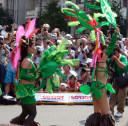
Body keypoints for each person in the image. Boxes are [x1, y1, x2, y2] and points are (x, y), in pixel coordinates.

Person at [80, 28, 119, 126]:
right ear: (103, 51)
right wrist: (115, 34)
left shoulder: (96, 59)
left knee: (97, 115)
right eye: (105, 49)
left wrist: (100, 36)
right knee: (106, 116)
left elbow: (102, 46)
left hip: (95, 90)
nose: (108, 51)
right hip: (101, 91)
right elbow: (111, 46)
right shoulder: (102, 60)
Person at [10, 37, 41, 126]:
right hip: (27, 91)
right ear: (28, 47)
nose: (35, 47)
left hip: (25, 90)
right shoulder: (27, 60)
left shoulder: (27, 59)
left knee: (25, 113)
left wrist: (36, 75)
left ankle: (17, 124)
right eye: (34, 45)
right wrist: (32, 78)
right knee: (33, 113)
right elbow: (22, 75)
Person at [108, 47, 128, 117]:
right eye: (113, 52)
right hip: (115, 79)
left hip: (124, 79)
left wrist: (116, 59)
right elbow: (105, 64)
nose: (114, 54)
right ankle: (110, 110)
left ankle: (120, 111)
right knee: (112, 95)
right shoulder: (111, 59)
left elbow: (122, 66)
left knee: (121, 96)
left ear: (119, 52)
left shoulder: (123, 58)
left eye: (115, 52)